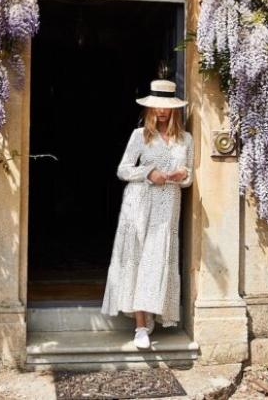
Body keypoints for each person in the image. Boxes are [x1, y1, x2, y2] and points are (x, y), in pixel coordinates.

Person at [101, 79, 194, 349]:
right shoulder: (139, 135)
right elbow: (123, 169)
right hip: (139, 204)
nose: (161, 112)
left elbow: (188, 178)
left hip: (167, 206)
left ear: (174, 109)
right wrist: (148, 173)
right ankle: (140, 326)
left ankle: (150, 311)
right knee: (138, 259)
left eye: (165, 107)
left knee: (157, 260)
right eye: (156, 107)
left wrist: (182, 174)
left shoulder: (185, 139)